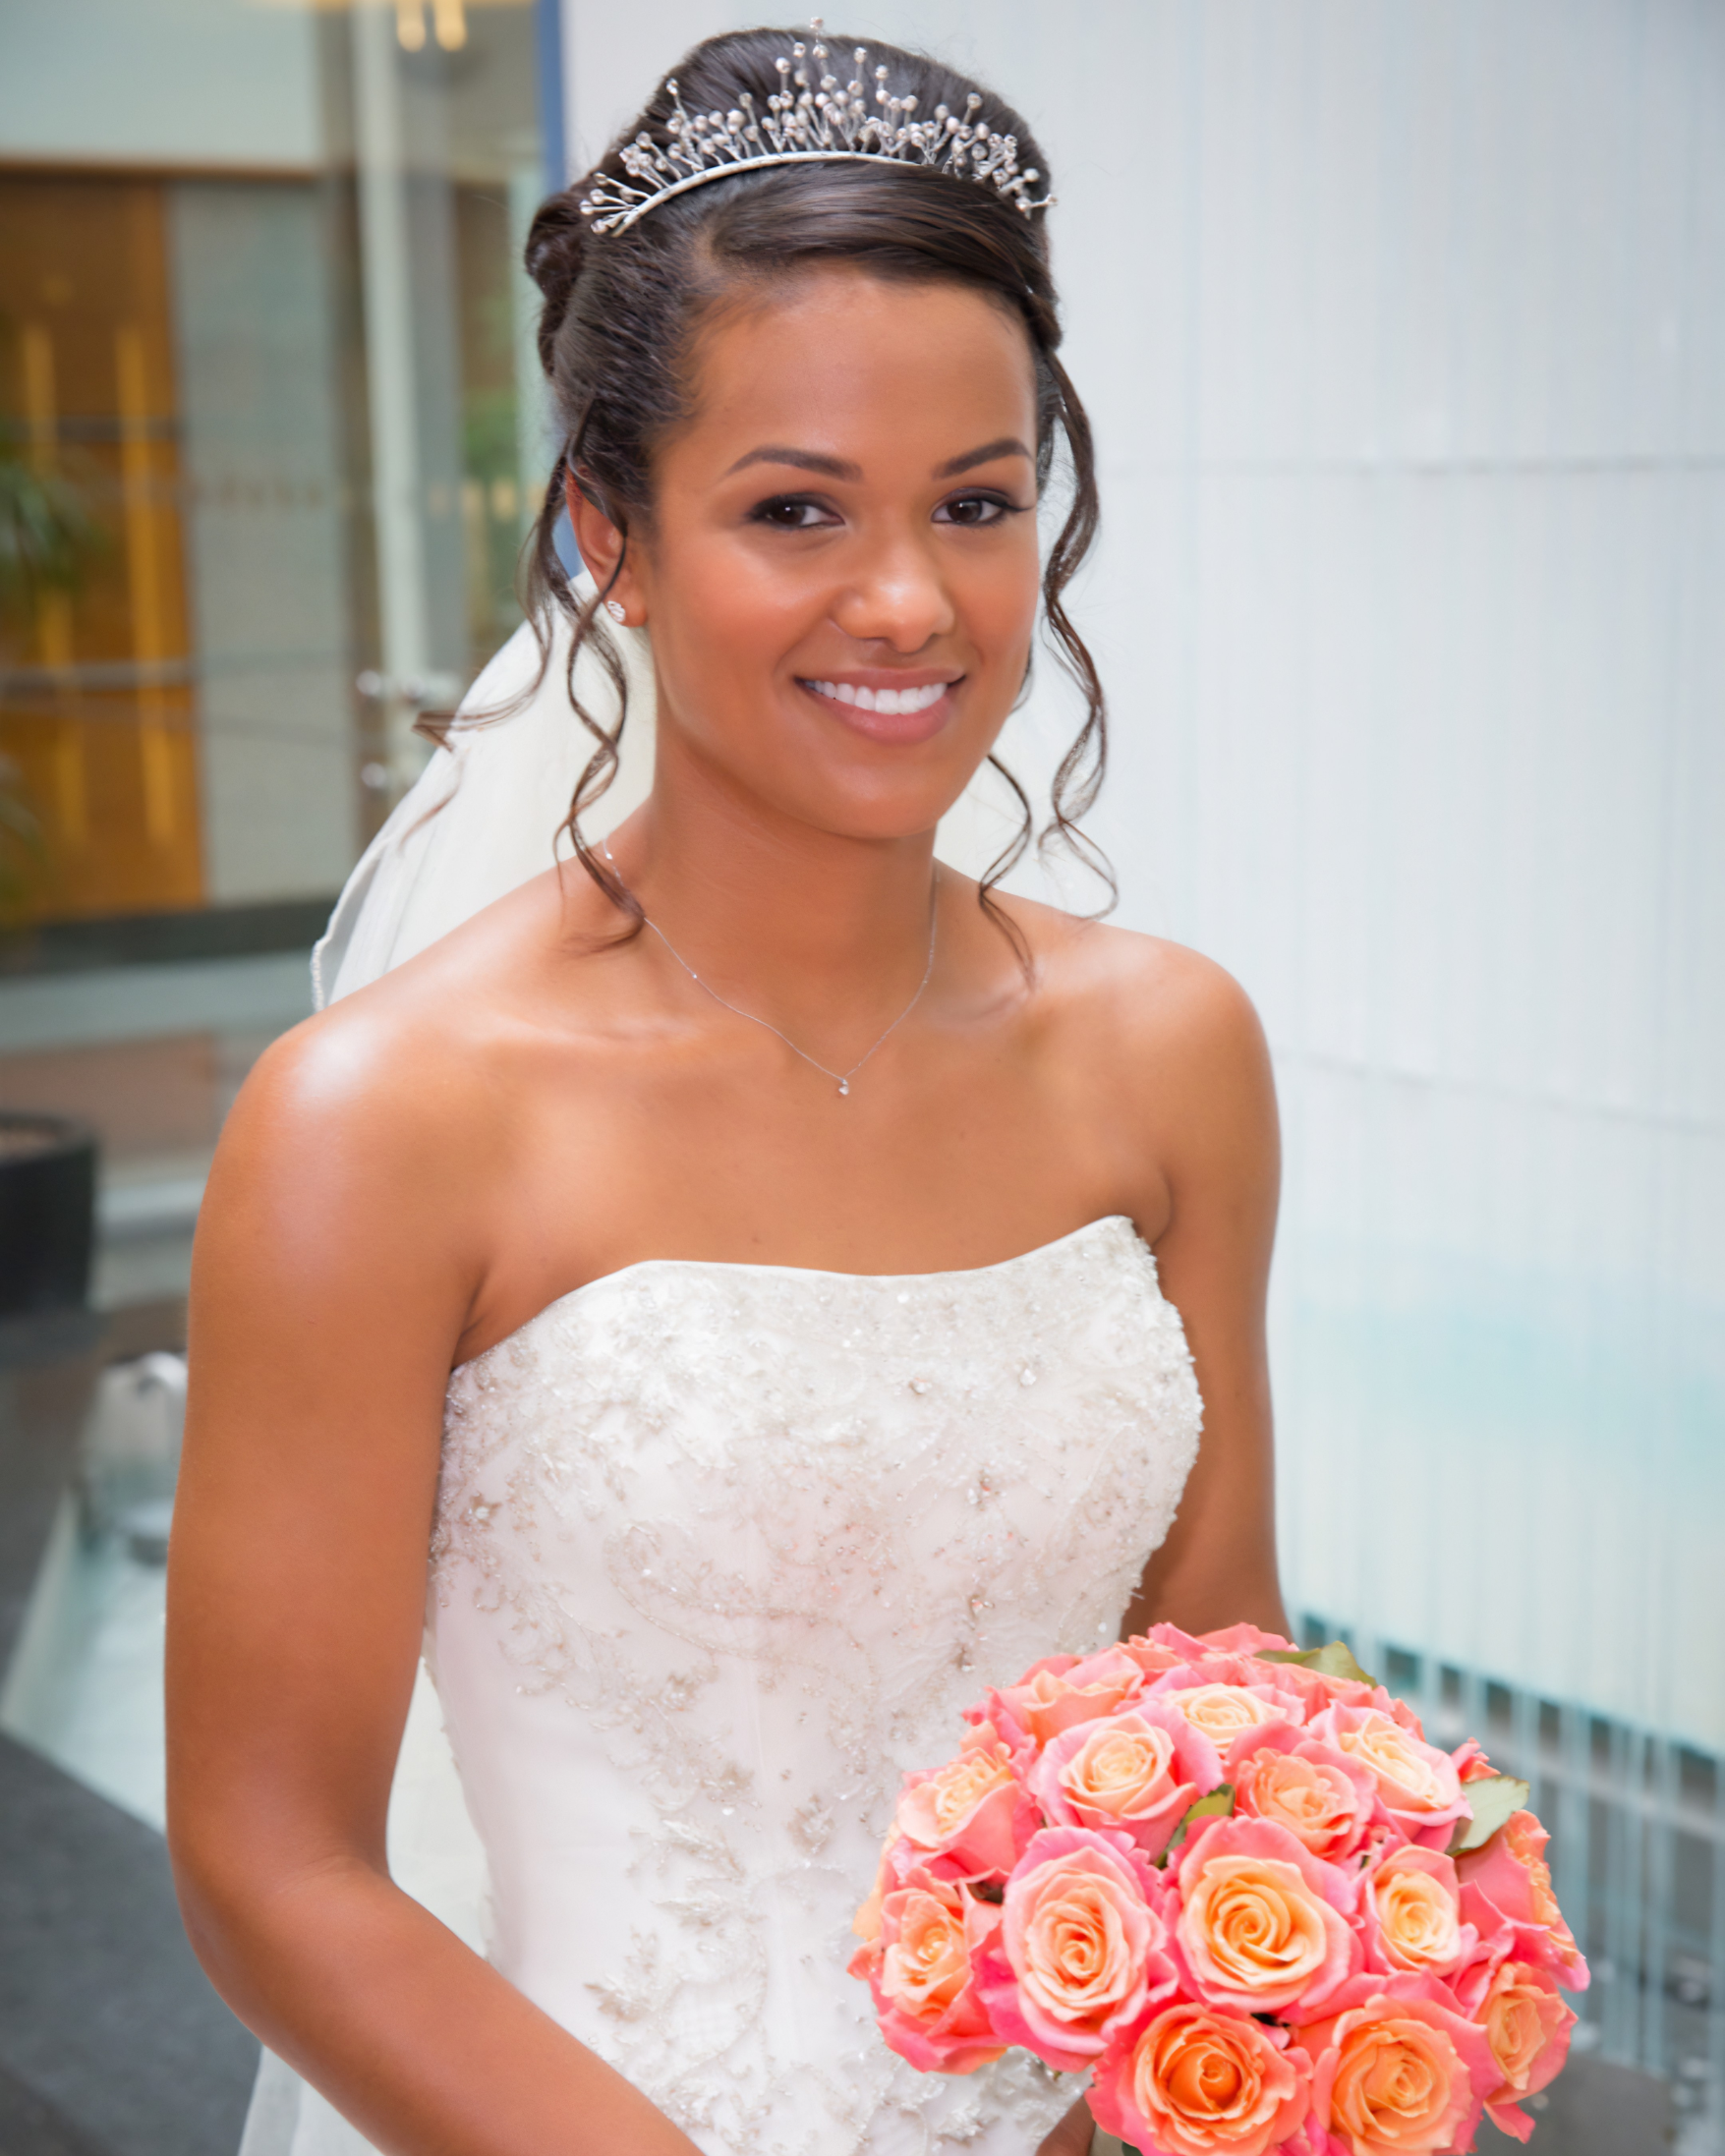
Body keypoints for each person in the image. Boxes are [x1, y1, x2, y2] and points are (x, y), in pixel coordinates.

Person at [166, 26, 1287, 2156]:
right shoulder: (385, 1118)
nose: (909, 602)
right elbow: (269, 1860)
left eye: (975, 503)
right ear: (613, 531)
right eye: (796, 509)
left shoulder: (1173, 1052)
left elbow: (1216, 1689)